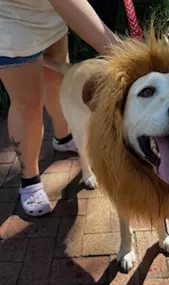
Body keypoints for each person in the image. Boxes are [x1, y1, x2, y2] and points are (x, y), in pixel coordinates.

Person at [0, 0, 121, 216]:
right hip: (11, 21)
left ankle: (63, 138)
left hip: (50, 14)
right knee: (28, 104)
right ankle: (29, 179)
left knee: (57, 83)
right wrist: (122, 54)